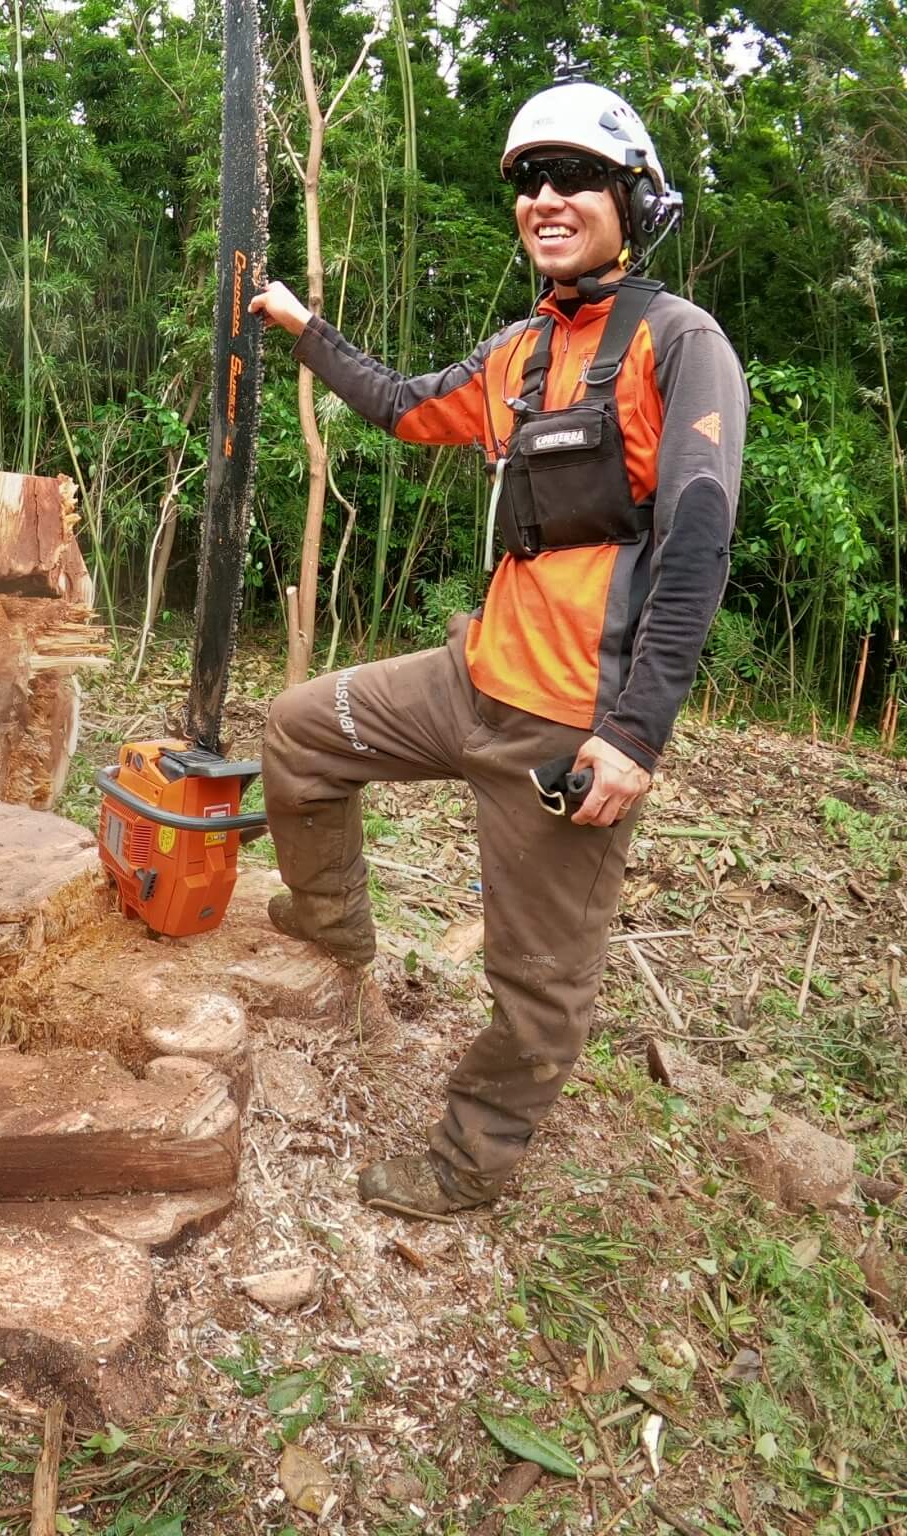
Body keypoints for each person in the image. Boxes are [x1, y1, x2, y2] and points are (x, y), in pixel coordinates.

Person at [247, 79, 746, 1217]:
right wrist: (299, 326)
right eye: (530, 180)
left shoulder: (679, 343)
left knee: (536, 982)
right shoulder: (520, 351)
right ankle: (331, 926)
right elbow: (402, 405)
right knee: (296, 733)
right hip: (468, 678)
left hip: (565, 727)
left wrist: (632, 735)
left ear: (632, 199)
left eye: (576, 177)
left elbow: (699, 536)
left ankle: (468, 1164)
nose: (547, 197)